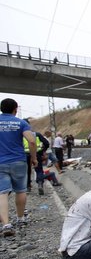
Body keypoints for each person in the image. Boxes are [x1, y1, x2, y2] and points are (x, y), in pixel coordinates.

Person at [0, 98, 38, 236]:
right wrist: (34, 158)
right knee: (21, 190)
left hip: (0, 162)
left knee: (2, 193)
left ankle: (6, 224)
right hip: (18, 161)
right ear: (15, 109)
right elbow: (32, 141)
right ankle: (20, 218)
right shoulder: (21, 123)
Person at [23, 127, 50, 194]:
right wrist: (42, 150)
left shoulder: (22, 135)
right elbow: (46, 143)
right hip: (36, 154)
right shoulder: (37, 134)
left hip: (25, 154)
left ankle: (27, 187)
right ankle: (40, 184)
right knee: (39, 170)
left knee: (27, 171)